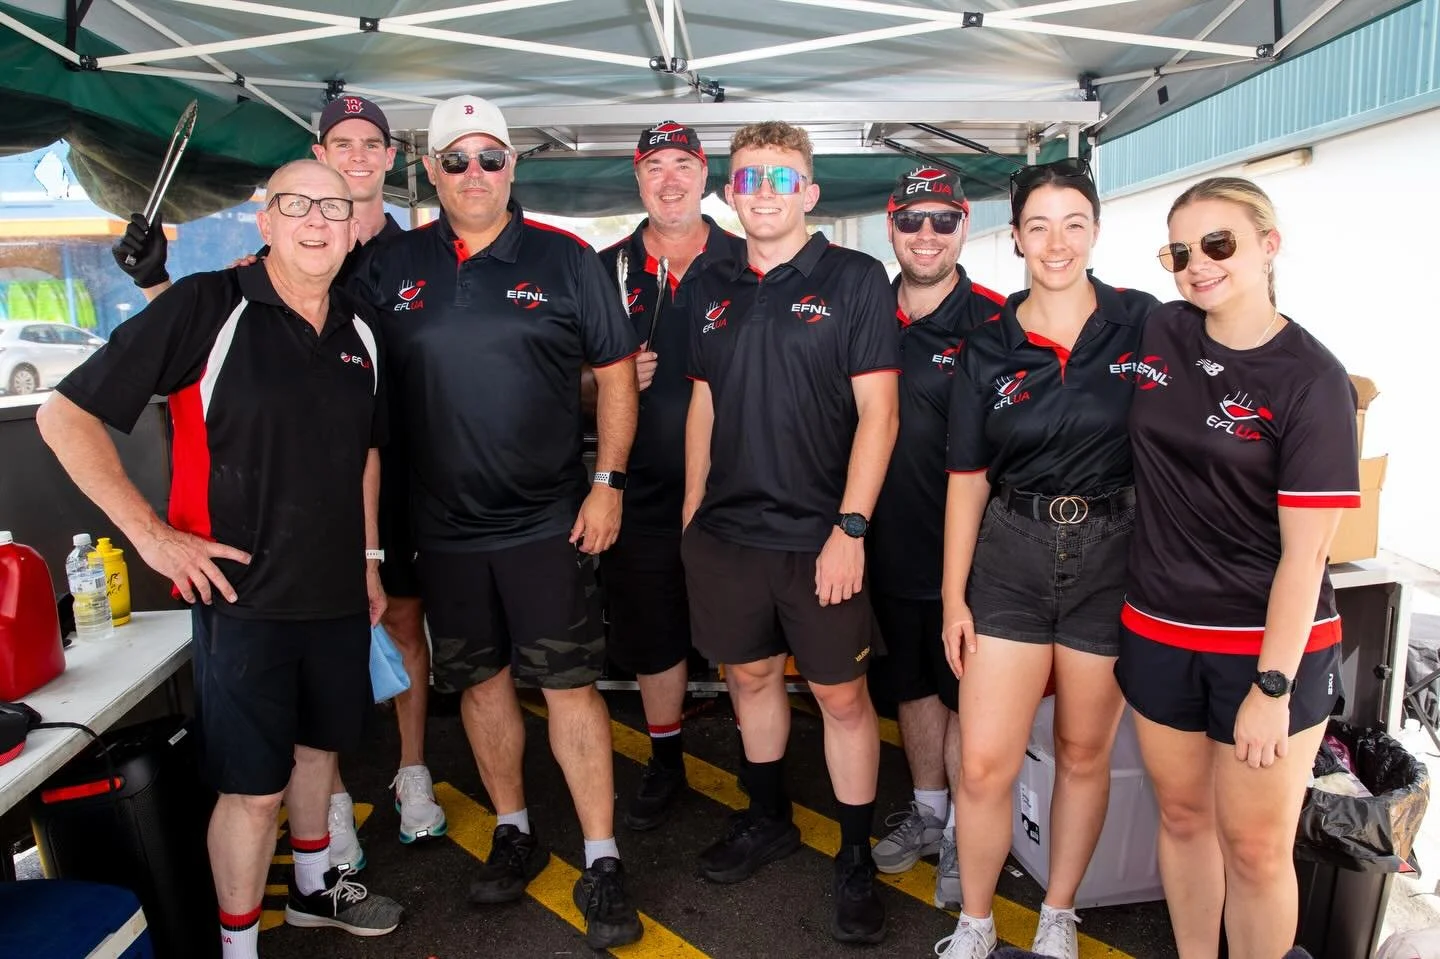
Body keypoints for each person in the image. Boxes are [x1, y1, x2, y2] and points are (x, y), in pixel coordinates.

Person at [40, 159, 404, 958]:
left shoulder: (364, 326)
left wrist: (370, 558)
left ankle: (314, 891)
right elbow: (63, 416)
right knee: (252, 790)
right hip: (241, 601)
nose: (316, 220)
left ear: (353, 225)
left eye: (333, 207)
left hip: (339, 594)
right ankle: (236, 949)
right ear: (264, 221)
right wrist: (152, 535)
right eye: (296, 204)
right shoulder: (210, 306)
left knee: (318, 753)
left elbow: (365, 456)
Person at [113, 94, 444, 871]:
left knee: (395, 629)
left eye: (372, 143)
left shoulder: (411, 256)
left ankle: (409, 773)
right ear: (316, 160)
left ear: (392, 158)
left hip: (383, 483)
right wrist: (159, 284)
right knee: (286, 743)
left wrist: (368, 551)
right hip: (271, 527)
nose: (357, 155)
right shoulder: (267, 258)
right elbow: (213, 357)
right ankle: (326, 832)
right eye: (340, 144)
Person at [349, 95, 644, 950]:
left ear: (514, 166)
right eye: (455, 159)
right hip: (439, 530)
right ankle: (512, 828)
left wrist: (609, 483)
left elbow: (618, 377)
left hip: (550, 521)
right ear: (431, 170)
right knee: (479, 685)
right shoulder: (388, 265)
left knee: (568, 688)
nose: (473, 174)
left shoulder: (566, 258)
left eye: (490, 157)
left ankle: (602, 855)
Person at [1117, 177, 1356, 959]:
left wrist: (1272, 686)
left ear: (1269, 244)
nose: (1197, 264)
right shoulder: (1161, 329)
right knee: (1183, 820)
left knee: (1254, 849)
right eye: (1180, 251)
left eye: (1219, 244)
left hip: (1264, 649)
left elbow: (1306, 554)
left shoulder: (1311, 378)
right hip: (1157, 630)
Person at [682, 121, 900, 945]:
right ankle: (766, 817)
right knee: (748, 679)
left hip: (820, 535)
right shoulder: (709, 282)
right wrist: (691, 516)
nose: (763, 192)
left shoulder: (853, 278)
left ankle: (854, 856)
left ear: (809, 193)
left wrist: (850, 528)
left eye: (781, 179)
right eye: (748, 179)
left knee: (843, 697)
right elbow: (703, 400)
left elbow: (881, 412)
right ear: (730, 194)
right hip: (729, 536)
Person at [936, 158, 1158, 959]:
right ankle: (977, 922)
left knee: (1082, 752)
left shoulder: (1145, 323)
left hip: (1113, 555)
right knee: (989, 763)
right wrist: (953, 599)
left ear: (1096, 229)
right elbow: (965, 480)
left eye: (1073, 223)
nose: (1056, 242)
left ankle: (1060, 913)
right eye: (1038, 225)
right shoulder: (987, 346)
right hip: (1011, 556)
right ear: (1016, 236)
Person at [592, 122, 746, 831]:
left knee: (748, 638)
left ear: (705, 172)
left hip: (740, 490)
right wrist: (599, 387)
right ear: (637, 178)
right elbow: (561, 378)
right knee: (653, 634)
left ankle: (759, 761)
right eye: (655, 166)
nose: (670, 178)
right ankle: (666, 760)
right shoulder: (604, 270)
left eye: (683, 163)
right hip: (643, 491)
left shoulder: (751, 260)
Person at [865, 167, 1004, 910]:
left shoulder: (995, 319)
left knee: (967, 700)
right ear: (890, 225)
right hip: (881, 548)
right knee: (913, 689)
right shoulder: (864, 310)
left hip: (973, 561)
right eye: (911, 220)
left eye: (941, 221)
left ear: (965, 226)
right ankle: (928, 813)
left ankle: (963, 836)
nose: (925, 234)